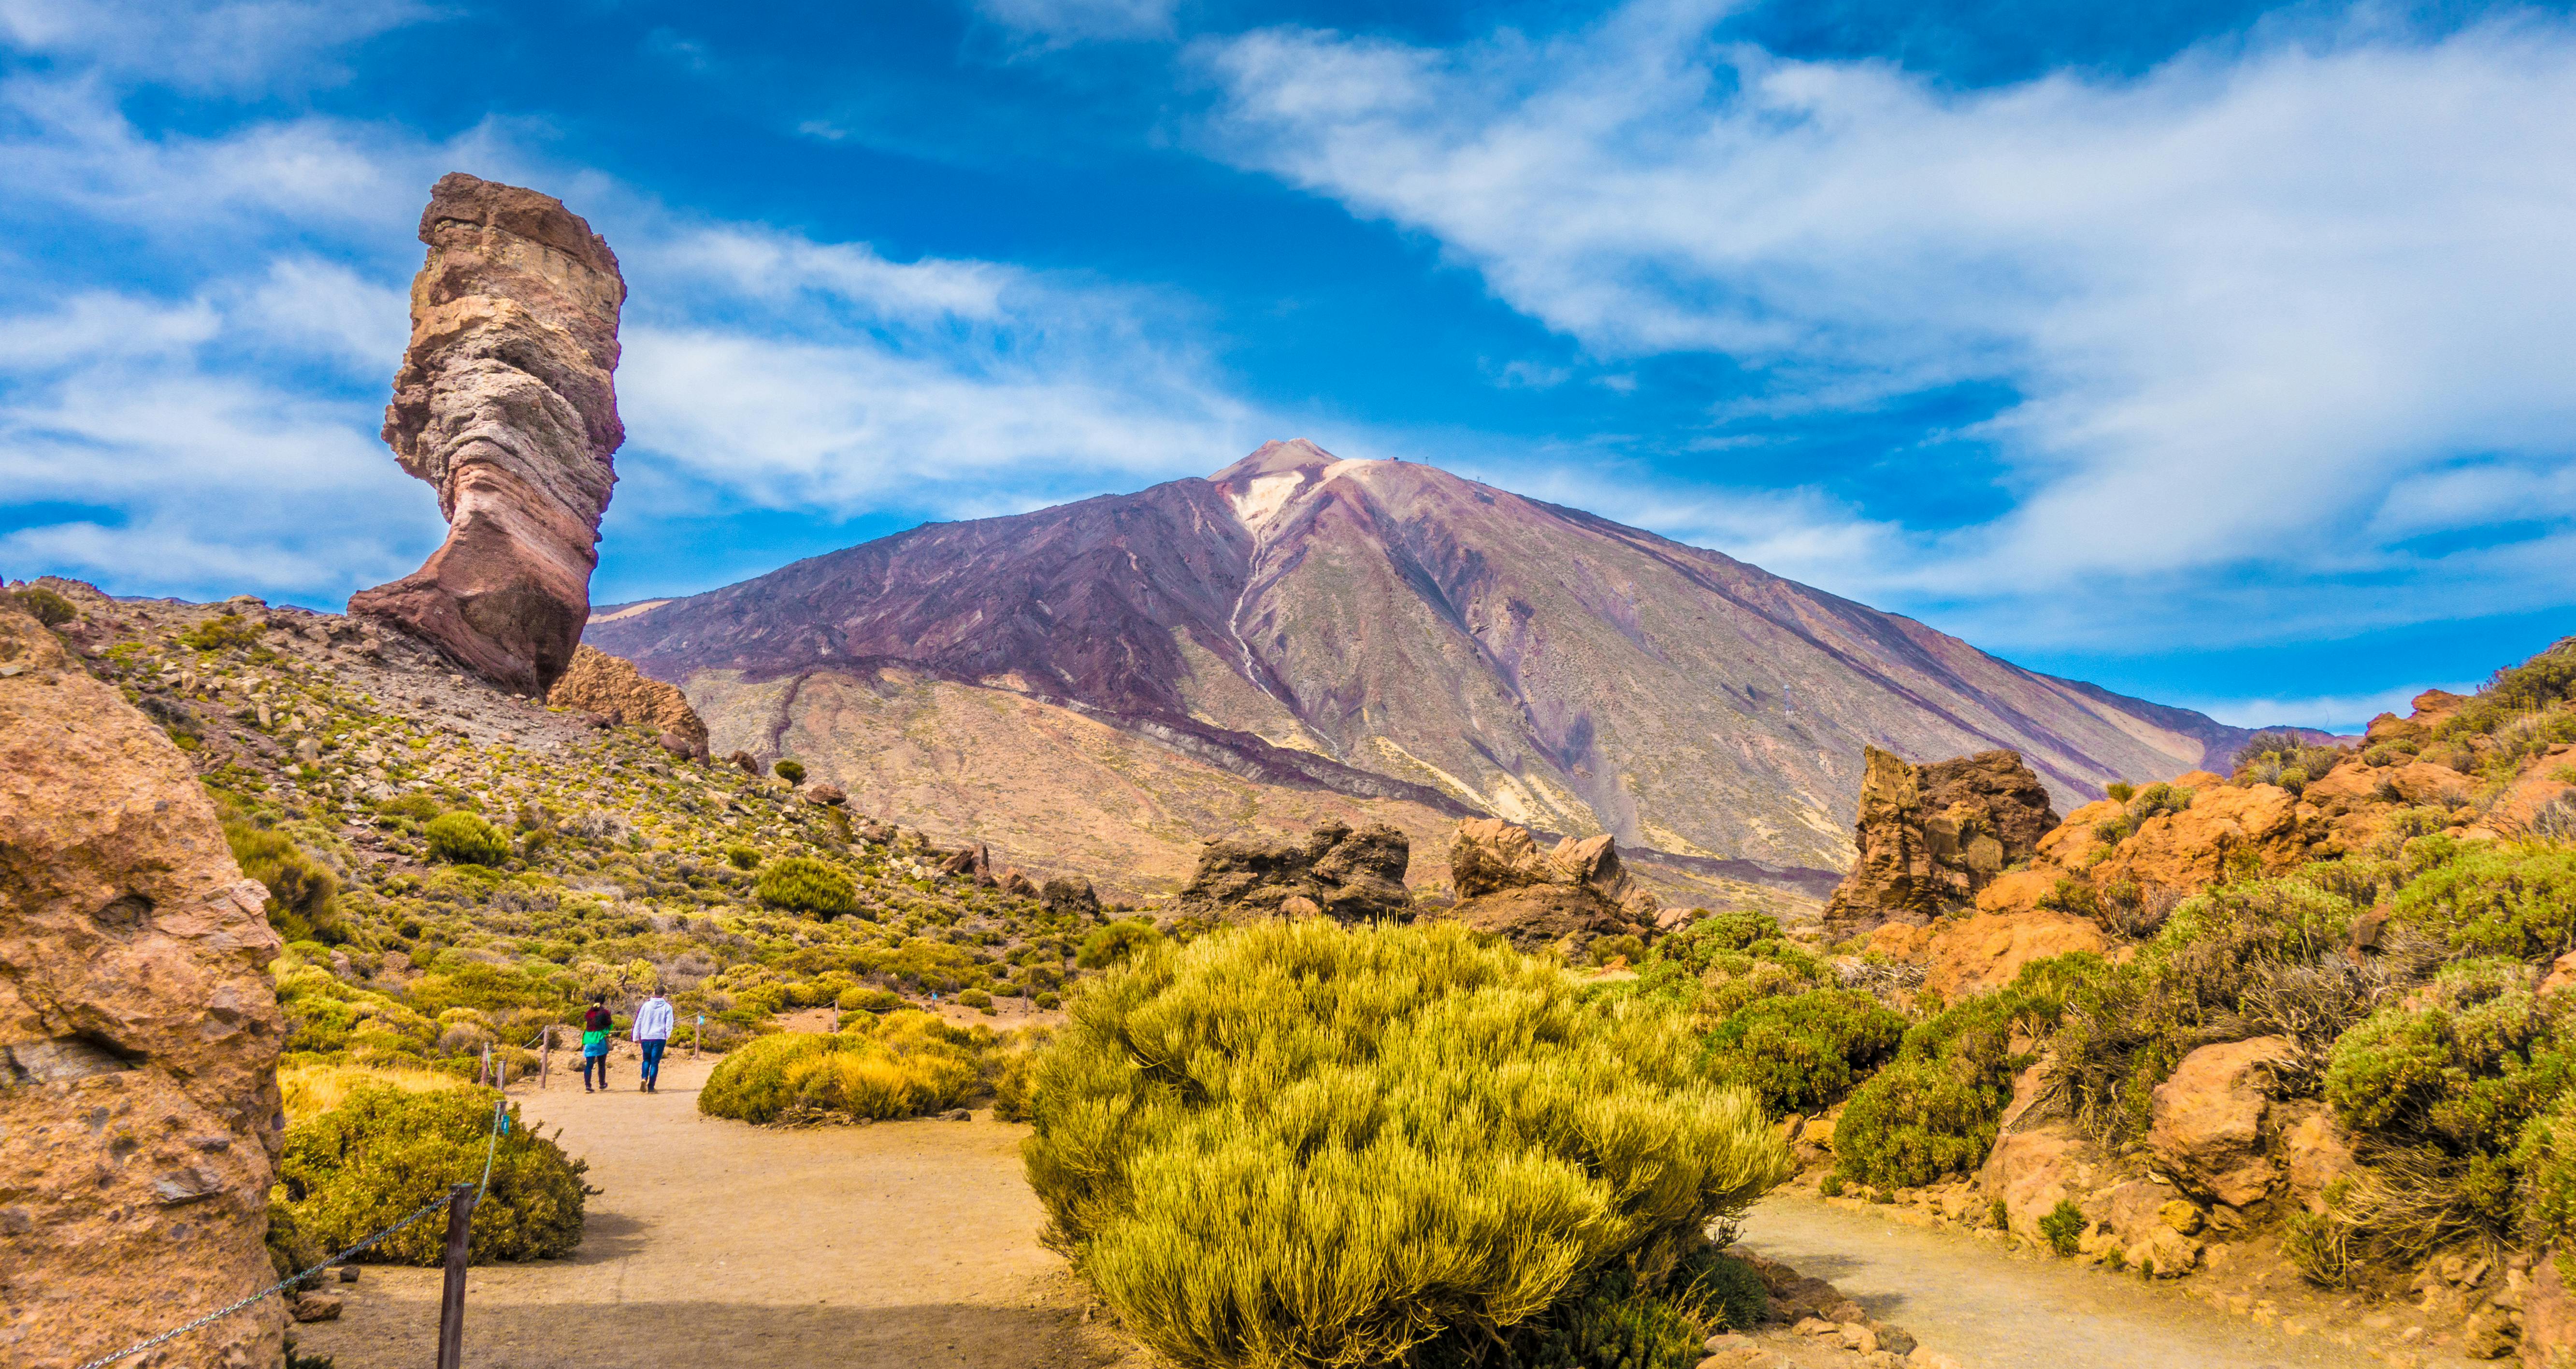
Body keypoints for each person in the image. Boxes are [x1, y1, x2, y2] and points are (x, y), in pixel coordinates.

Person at [631, 989, 674, 1093]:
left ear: (654, 993)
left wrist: (636, 1037)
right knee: (655, 1062)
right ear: (664, 994)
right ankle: (651, 1087)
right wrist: (667, 1035)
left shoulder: (646, 1006)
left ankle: (644, 1078)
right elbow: (669, 1023)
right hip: (659, 1038)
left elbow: (639, 1020)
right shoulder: (667, 1007)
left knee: (646, 1059)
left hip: (646, 1037)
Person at [580, 994, 613, 1093]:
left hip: (588, 1039)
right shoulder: (605, 1012)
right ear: (604, 1001)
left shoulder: (589, 1012)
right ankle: (602, 1084)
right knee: (602, 1064)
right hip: (600, 1039)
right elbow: (610, 1025)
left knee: (589, 1065)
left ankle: (588, 1086)